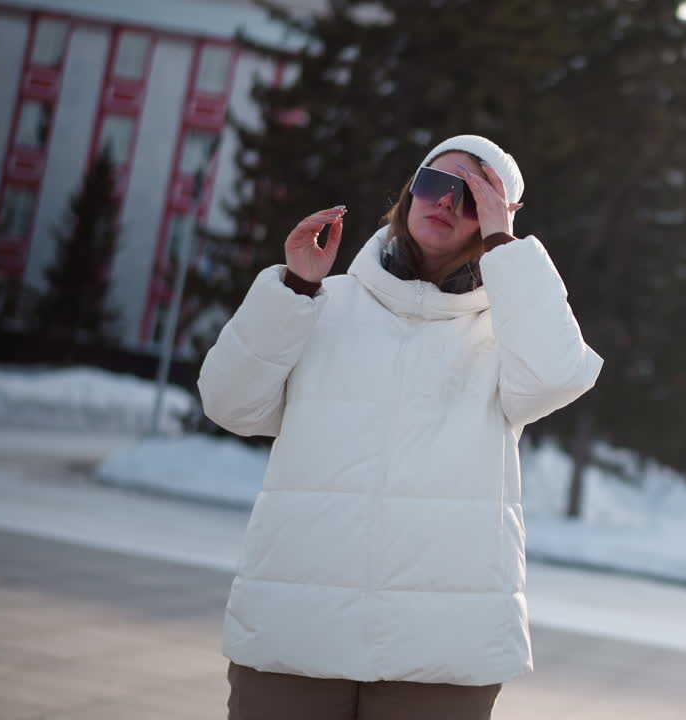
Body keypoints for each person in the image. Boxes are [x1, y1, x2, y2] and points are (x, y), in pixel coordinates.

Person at [198, 135, 603, 719]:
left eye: (474, 196)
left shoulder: (507, 336)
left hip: (439, 651)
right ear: (411, 191)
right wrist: (295, 287)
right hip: (297, 633)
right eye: (436, 183)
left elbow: (558, 377)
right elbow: (229, 403)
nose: (446, 202)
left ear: (499, 218)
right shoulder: (320, 303)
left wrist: (503, 247)